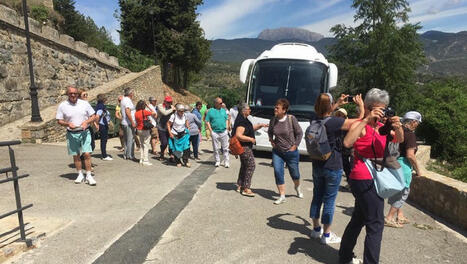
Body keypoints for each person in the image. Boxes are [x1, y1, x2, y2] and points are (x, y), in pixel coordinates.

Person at [338, 88, 403, 264]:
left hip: (374, 177)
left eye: (385, 109)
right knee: (376, 225)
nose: (382, 113)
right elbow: (346, 142)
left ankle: (344, 257)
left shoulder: (382, 127)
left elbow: (400, 140)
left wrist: (398, 127)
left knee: (358, 219)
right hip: (363, 178)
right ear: (368, 107)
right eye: (378, 109)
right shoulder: (362, 125)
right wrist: (366, 118)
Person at [309, 93, 364, 245]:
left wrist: (337, 103)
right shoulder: (336, 122)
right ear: (330, 106)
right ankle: (326, 235)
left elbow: (325, 113)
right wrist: (361, 106)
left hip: (317, 164)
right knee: (330, 201)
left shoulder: (314, 119)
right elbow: (360, 121)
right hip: (333, 165)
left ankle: (315, 229)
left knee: (317, 197)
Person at [384, 111, 423, 227]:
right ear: (413, 122)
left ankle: (399, 215)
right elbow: (410, 155)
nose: (418, 125)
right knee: (403, 192)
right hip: (404, 165)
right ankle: (389, 217)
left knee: (398, 190)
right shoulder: (410, 135)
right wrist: (418, 170)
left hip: (394, 162)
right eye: (417, 122)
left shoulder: (399, 131)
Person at [56, 86, 98, 186]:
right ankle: (80, 174)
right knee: (76, 155)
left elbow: (93, 116)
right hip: (72, 133)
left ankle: (88, 175)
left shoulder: (84, 103)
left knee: (87, 153)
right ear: (68, 94)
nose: (73, 95)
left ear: (77, 94)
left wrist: (86, 122)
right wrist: (67, 124)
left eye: (75, 93)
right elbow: (59, 120)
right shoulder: (63, 105)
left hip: (85, 132)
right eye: (71, 93)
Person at [268, 98, 303, 205]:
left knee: (295, 174)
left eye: (277, 108)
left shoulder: (291, 119)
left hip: (291, 152)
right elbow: (270, 131)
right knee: (278, 172)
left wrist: (295, 145)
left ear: (284, 110)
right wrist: (271, 141)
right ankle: (282, 195)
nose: (275, 109)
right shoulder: (273, 120)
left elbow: (300, 133)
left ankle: (297, 187)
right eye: (275, 107)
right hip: (277, 152)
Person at [233, 103, 268, 197]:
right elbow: (238, 135)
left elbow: (248, 129)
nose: (250, 111)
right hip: (244, 147)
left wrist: (259, 126)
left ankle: (240, 185)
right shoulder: (241, 121)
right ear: (243, 110)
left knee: (245, 166)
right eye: (248, 109)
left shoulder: (244, 120)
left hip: (244, 147)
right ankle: (246, 188)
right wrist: (251, 139)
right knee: (251, 165)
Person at [205, 97, 230, 168]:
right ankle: (217, 161)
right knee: (216, 148)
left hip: (223, 131)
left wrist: (227, 127)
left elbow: (227, 119)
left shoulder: (223, 111)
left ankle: (226, 162)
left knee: (225, 148)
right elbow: (207, 121)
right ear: (216, 103)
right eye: (220, 103)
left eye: (222, 103)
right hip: (215, 132)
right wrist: (211, 131)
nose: (222, 104)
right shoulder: (210, 111)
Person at [134, 100, 157, 166]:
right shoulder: (144, 112)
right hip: (145, 130)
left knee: (141, 144)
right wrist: (148, 106)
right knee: (146, 144)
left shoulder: (136, 113)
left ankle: (141, 159)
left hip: (139, 129)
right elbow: (154, 113)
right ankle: (145, 160)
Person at [95, 94, 113, 161]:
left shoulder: (100, 105)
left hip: (103, 124)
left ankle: (104, 154)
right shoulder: (101, 106)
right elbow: (97, 116)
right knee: (103, 140)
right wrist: (97, 124)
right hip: (102, 125)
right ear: (103, 99)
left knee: (104, 140)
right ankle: (104, 155)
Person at [120, 88, 136, 161]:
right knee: (130, 139)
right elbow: (127, 111)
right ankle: (129, 155)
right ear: (130, 94)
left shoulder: (124, 99)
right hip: (128, 123)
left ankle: (126, 154)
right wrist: (132, 121)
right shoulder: (127, 100)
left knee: (126, 139)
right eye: (132, 93)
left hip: (125, 122)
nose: (133, 94)